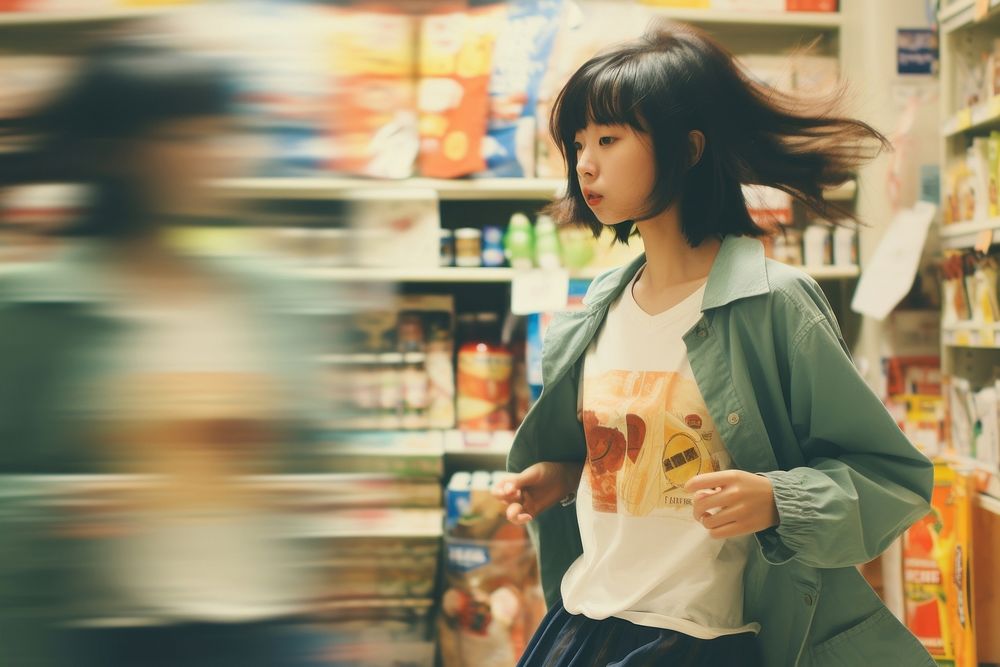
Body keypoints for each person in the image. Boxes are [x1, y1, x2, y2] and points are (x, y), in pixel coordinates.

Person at [492, 21, 936, 667]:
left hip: (700, 639)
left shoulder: (772, 304)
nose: (584, 162)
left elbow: (892, 478)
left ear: (688, 147)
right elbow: (628, 459)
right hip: (585, 623)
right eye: (578, 142)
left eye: (609, 139)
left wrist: (779, 501)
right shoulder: (598, 307)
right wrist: (562, 475)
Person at [0, 39, 323, 666]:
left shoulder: (271, 295)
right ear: (116, 153)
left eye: (220, 132)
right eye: (186, 137)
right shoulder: (36, 308)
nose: (215, 156)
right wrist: (73, 502)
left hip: (260, 626)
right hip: (104, 634)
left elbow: (309, 458)